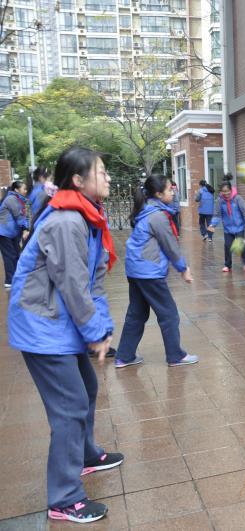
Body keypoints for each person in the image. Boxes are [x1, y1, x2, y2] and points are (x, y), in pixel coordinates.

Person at [8, 146, 122, 523]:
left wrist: (101, 329)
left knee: (86, 389)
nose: (107, 178)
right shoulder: (67, 222)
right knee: (70, 408)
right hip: (42, 326)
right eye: (101, 171)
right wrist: (93, 331)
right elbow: (74, 286)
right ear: (78, 180)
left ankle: (86, 454)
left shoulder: (87, 219)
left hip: (60, 324)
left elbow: (94, 284)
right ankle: (63, 497)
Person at [114, 174, 197, 369]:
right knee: (169, 314)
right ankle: (176, 356)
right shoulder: (157, 216)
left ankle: (124, 356)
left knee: (136, 314)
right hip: (148, 272)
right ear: (159, 194)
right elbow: (170, 245)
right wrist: (183, 269)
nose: (173, 191)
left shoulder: (147, 210)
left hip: (135, 270)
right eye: (170, 189)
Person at [208, 181, 245, 272]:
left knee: (240, 244)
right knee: (227, 245)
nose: (226, 193)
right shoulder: (220, 201)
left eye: (227, 191)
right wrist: (212, 224)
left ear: (231, 189)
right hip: (228, 228)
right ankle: (227, 265)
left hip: (239, 227)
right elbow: (217, 214)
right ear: (221, 192)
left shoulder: (237, 198)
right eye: (223, 191)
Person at [0, 181, 30, 288]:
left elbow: (23, 215)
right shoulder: (11, 199)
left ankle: (15, 278)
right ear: (16, 190)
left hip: (11, 232)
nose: (25, 191)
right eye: (24, 189)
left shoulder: (18, 199)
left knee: (16, 255)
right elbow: (19, 216)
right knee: (10, 256)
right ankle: (9, 281)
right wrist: (25, 228)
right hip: (5, 232)